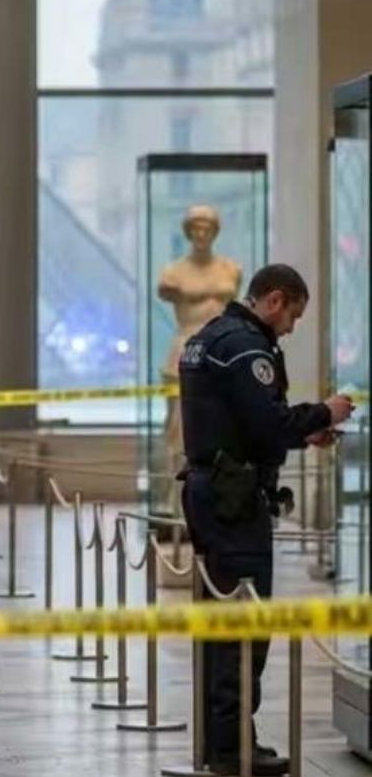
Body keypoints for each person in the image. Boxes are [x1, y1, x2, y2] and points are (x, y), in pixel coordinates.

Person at [178, 263, 355, 776]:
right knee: (244, 625)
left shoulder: (209, 337)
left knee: (221, 624)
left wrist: (301, 433)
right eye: (292, 315)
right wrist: (324, 413)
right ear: (274, 299)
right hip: (233, 500)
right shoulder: (246, 347)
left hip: (211, 489)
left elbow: (243, 425)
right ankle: (233, 746)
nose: (291, 328)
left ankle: (221, 741)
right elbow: (267, 423)